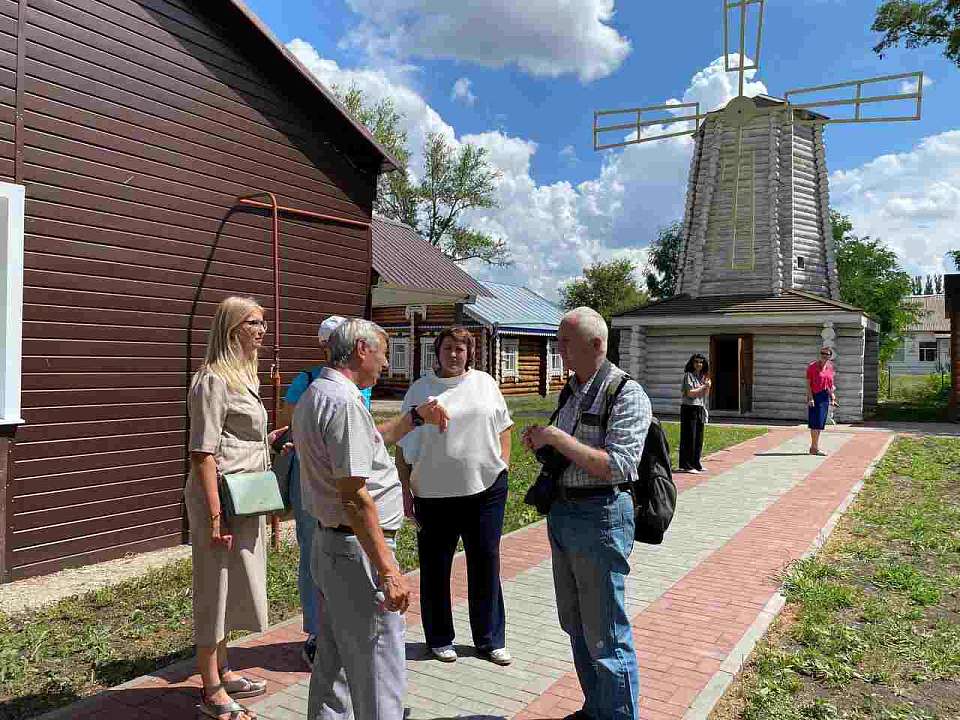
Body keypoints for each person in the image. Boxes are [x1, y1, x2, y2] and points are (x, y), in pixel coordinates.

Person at [293, 318, 448, 720]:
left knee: (335, 664)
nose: (385, 363)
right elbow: (357, 498)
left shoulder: (319, 393)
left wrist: (415, 417)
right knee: (378, 670)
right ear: (361, 349)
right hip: (355, 553)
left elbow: (368, 442)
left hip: (331, 548)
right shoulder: (344, 404)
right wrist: (389, 571)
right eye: (382, 351)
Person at [522, 307, 651, 720]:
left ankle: (618, 715)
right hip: (565, 514)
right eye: (558, 341)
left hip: (601, 518)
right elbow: (571, 453)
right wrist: (545, 442)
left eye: (566, 343)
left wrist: (557, 437)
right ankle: (597, 707)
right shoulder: (573, 390)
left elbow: (619, 464)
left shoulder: (626, 393)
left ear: (597, 345)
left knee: (606, 633)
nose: (558, 350)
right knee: (576, 623)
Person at [186, 296, 287, 720]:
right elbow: (203, 454)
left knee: (232, 587)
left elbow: (240, 442)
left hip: (246, 496)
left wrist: (274, 440)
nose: (262, 330)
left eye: (262, 322)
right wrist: (214, 518)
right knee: (215, 587)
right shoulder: (212, 379)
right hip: (221, 499)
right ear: (232, 329)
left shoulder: (245, 378)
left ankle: (224, 669)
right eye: (253, 323)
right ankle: (210, 688)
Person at [396, 326, 514, 665]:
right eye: (448, 348)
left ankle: (490, 639)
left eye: (460, 349)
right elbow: (403, 449)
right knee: (435, 568)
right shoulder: (421, 389)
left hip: (486, 491)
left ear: (469, 354)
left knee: (486, 562)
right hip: (433, 495)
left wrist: (501, 467)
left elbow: (505, 428)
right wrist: (405, 492)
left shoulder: (485, 384)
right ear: (438, 351)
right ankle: (439, 637)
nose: (453, 354)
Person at [280, 316, 372, 668]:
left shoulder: (361, 383)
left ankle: (342, 626)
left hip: (349, 475)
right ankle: (317, 633)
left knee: (347, 552)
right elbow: (292, 427)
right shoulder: (306, 380)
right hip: (315, 478)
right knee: (313, 553)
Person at [678, 353, 711, 474]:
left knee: (698, 438)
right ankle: (686, 464)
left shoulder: (702, 377)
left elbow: (705, 393)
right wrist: (704, 387)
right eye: (696, 362)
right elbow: (690, 393)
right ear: (692, 363)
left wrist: (707, 386)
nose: (699, 364)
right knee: (689, 437)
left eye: (701, 362)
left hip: (700, 408)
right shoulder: (688, 376)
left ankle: (696, 463)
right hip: (689, 408)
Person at [806, 346, 838, 455]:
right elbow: (808, 384)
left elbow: (829, 385)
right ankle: (814, 448)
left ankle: (814, 447)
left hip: (824, 397)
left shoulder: (830, 367)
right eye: (822, 353)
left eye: (827, 354)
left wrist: (832, 398)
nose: (824, 356)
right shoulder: (812, 366)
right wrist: (810, 398)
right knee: (815, 423)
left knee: (820, 424)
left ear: (830, 356)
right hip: (815, 396)